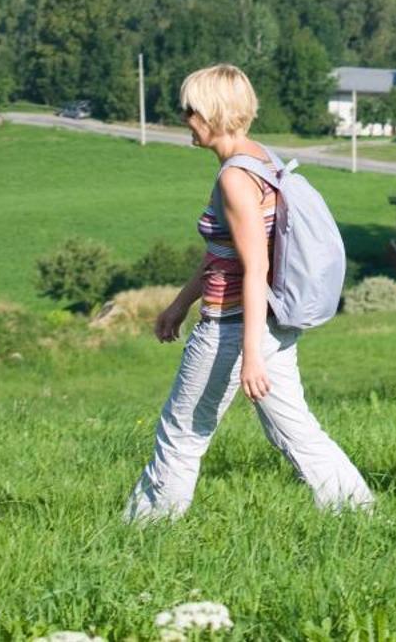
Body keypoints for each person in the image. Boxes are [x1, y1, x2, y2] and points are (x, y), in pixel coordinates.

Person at [123, 63, 373, 521]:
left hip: (233, 328)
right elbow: (229, 253)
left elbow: (255, 266)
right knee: (295, 431)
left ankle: (142, 532)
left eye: (190, 110)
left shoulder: (234, 179)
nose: (185, 120)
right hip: (269, 324)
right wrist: (180, 304)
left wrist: (250, 353)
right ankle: (358, 513)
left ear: (211, 113)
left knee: (182, 434)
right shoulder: (262, 159)